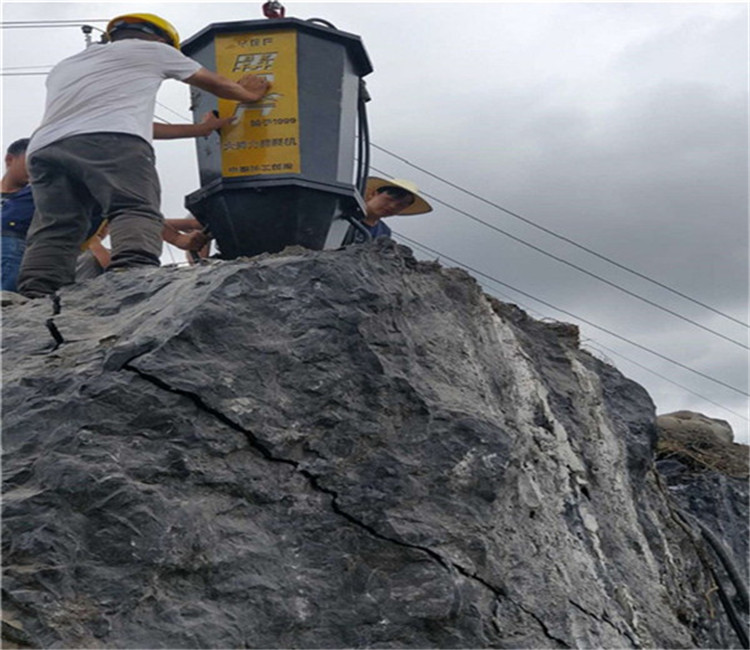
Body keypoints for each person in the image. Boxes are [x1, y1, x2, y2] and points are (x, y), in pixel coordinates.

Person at [17, 12, 271, 298]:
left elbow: (130, 122)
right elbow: (213, 82)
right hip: (111, 141)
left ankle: (36, 291)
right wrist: (248, 94)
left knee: (58, 225)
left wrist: (200, 130)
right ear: (162, 39)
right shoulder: (154, 49)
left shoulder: (69, 64)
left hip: (46, 147)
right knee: (133, 207)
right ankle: (132, 271)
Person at [355, 177, 433, 241]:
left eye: (400, 205)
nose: (392, 206)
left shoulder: (384, 232)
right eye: (389, 199)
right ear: (373, 194)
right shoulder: (347, 213)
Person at [1, 139, 33, 292]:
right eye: (30, 161)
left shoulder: (37, 195)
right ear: (9, 159)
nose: (35, 168)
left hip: (15, 252)